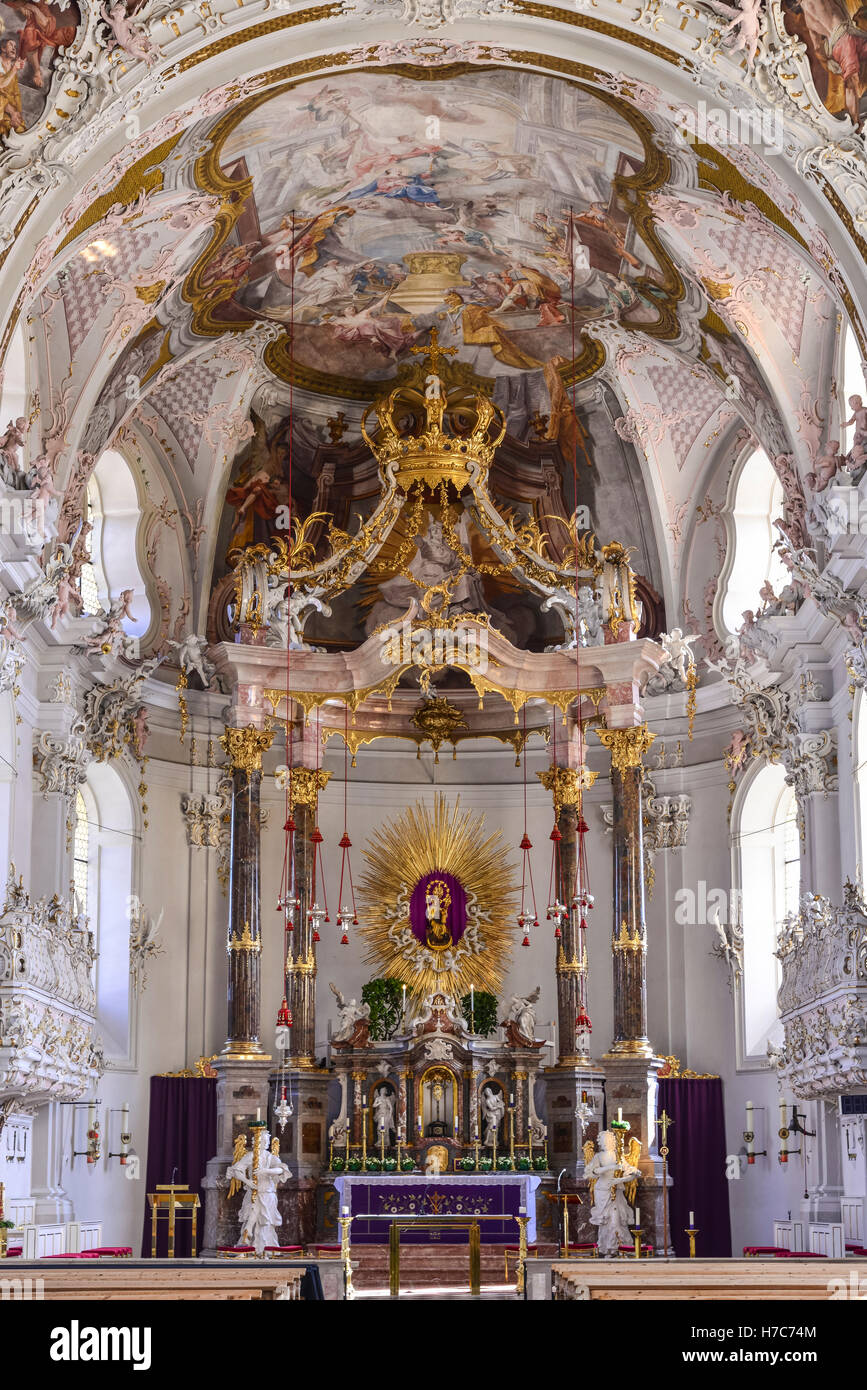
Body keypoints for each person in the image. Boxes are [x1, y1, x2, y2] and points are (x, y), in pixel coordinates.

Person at [226, 1128, 291, 1256]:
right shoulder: (250, 1156)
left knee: (265, 1222)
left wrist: (266, 1171)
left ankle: (264, 1249)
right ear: (256, 1142)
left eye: (266, 1141)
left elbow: (282, 1169)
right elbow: (236, 1170)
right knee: (251, 1215)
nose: (265, 1143)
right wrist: (247, 1181)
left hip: (268, 1193)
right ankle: (246, 1244)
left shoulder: (270, 1157)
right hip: (254, 1192)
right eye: (262, 1140)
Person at [584, 1130, 641, 1257]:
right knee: (606, 1221)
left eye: (608, 1140)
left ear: (612, 1141)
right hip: (603, 1190)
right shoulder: (598, 1156)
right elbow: (591, 1172)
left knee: (617, 1219)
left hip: (616, 1191)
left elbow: (627, 1169)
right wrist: (610, 1168)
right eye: (604, 1140)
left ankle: (620, 1247)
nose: (606, 1142)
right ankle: (607, 1249)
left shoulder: (618, 1155)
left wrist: (632, 1172)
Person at [0, 37, 25, 137]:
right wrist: (15, 69)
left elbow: (16, 93)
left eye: (15, 46)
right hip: (2, 109)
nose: (14, 48)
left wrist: (17, 113)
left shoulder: (11, 67)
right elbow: (1, 84)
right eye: (11, 45)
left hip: (9, 111)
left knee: (20, 130)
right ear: (2, 48)